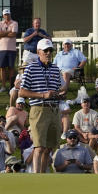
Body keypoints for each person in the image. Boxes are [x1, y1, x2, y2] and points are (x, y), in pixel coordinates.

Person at [19, 38, 67, 174]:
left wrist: (60, 95)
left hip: (54, 109)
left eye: (50, 50)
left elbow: (60, 88)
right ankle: (36, 175)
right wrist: (43, 95)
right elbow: (22, 92)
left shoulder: (55, 68)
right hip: (39, 109)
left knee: (49, 147)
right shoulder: (31, 68)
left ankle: (43, 174)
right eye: (45, 50)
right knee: (39, 146)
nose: (48, 53)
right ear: (38, 52)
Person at [0, 8, 19, 93]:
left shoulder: (15, 23)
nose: (7, 16)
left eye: (8, 14)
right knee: (2, 68)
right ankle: (3, 86)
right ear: (3, 15)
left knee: (11, 68)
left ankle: (11, 86)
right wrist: (8, 32)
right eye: (5, 14)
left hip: (11, 49)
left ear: (10, 14)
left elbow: (14, 34)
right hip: (1, 49)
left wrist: (3, 33)